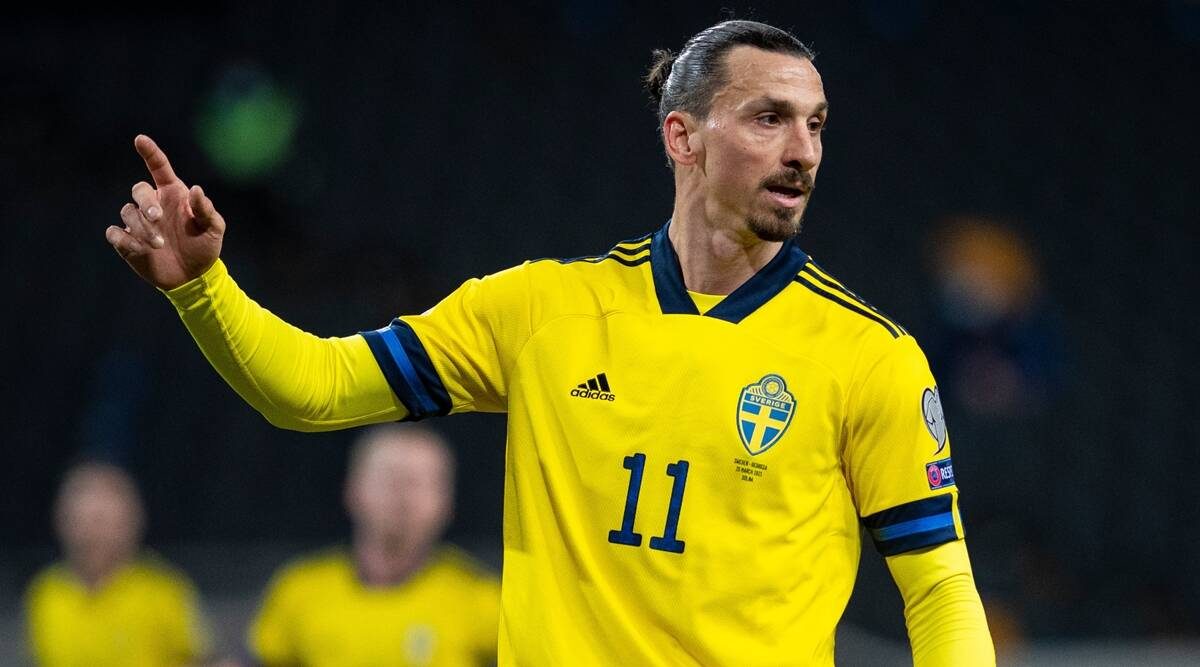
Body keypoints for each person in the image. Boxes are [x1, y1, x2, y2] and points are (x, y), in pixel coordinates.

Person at [106, 19, 994, 666]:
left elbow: (940, 588)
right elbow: (315, 387)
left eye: (816, 123)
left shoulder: (869, 355)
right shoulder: (542, 310)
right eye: (770, 118)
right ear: (682, 137)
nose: (803, 149)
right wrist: (202, 290)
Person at [248, 424, 499, 666]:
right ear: (352, 489)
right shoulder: (298, 591)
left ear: (447, 502)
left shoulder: (483, 600)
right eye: (390, 479)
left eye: (419, 483)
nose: (403, 497)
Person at [25, 461, 212, 666]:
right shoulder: (45, 594)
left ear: (132, 523)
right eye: (80, 521)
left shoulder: (163, 591)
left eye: (101, 521)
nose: (92, 534)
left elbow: (200, 658)